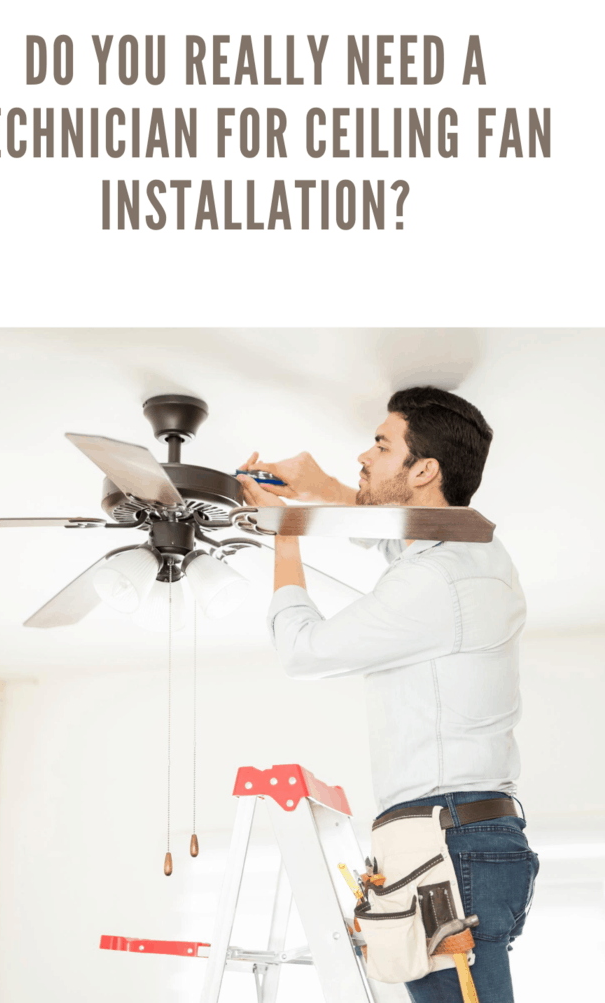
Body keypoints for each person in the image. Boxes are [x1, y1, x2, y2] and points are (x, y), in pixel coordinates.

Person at [236, 385, 539, 1003]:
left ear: (423, 469)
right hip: (460, 834)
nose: (363, 456)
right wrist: (318, 487)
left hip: (444, 840)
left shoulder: (436, 577)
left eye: (381, 444)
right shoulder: (470, 554)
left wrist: (286, 534)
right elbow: (390, 534)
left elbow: (304, 650)